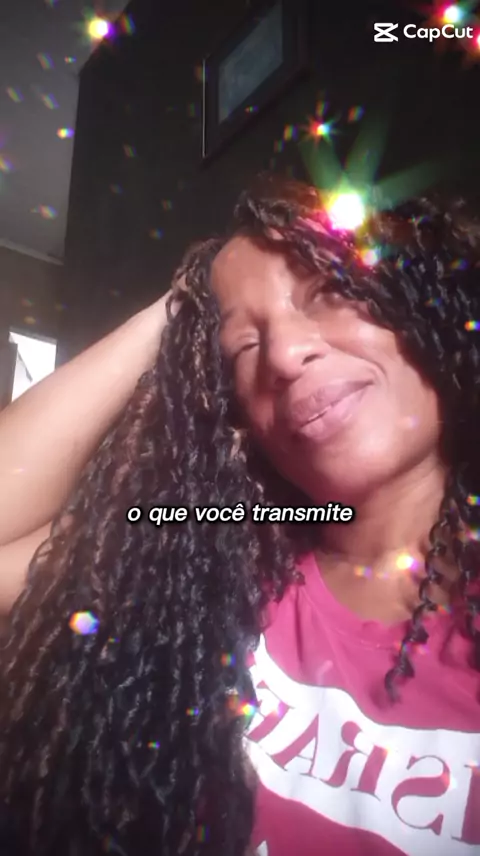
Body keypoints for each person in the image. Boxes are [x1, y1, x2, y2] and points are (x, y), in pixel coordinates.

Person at [0, 176, 478, 856]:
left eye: (328, 293)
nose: (283, 355)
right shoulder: (210, 549)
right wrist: (179, 305)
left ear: (420, 303)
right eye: (242, 348)